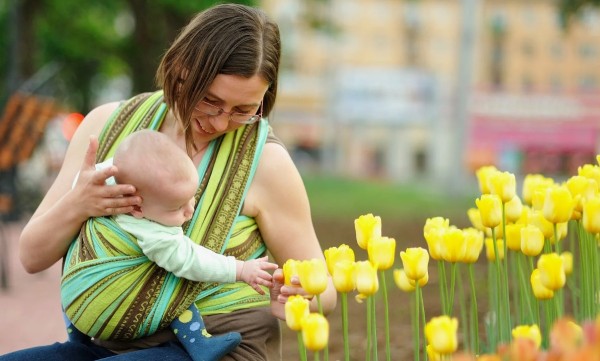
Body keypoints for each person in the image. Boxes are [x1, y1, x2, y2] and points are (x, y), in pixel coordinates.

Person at [3, 3, 336, 361]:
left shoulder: (266, 164)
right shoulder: (107, 126)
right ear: (180, 70)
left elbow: (325, 290)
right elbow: (31, 256)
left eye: (244, 110)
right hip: (104, 347)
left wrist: (298, 294)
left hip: (216, 345)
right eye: (210, 101)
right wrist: (78, 203)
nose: (222, 123)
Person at [61, 129, 279, 361]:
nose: (190, 210)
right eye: (176, 208)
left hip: (72, 305)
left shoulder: (107, 183)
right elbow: (192, 260)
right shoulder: (154, 233)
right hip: (108, 315)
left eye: (192, 197)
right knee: (175, 282)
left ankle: (77, 339)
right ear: (137, 208)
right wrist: (240, 270)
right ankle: (200, 343)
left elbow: (81, 182)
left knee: (75, 262)